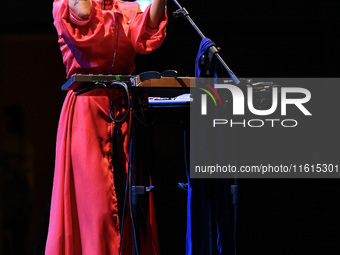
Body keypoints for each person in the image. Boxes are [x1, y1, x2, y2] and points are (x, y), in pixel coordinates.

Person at [45, 0, 167, 254]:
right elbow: (85, 15)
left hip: (124, 109)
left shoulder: (125, 7)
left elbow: (146, 32)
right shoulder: (65, 4)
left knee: (132, 201)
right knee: (98, 209)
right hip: (88, 111)